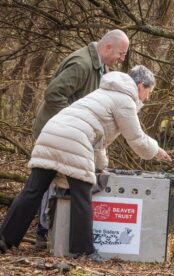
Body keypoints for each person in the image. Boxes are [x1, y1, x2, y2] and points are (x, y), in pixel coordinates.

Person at [0, 66, 172, 262]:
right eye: (149, 92)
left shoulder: (103, 92)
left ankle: (4, 238)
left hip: (51, 133)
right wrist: (156, 150)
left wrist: (100, 166)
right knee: (82, 195)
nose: (147, 98)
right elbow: (137, 139)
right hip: (74, 140)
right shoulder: (125, 101)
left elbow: (98, 140)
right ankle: (84, 251)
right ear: (140, 86)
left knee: (32, 191)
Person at [32, 29, 130, 248]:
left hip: (71, 135)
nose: (122, 59)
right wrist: (71, 122)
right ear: (107, 47)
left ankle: (55, 234)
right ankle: (43, 233)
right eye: (121, 54)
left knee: (60, 183)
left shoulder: (100, 67)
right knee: (46, 183)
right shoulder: (82, 64)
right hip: (55, 132)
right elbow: (53, 94)